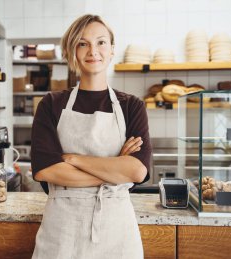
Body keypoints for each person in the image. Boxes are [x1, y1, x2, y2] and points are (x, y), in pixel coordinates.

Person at [30, 14, 152, 259]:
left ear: (111, 50)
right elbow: (46, 171)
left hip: (117, 233)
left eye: (101, 42)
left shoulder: (132, 106)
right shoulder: (51, 104)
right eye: (82, 43)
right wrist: (115, 168)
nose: (92, 51)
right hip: (62, 232)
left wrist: (74, 159)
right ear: (71, 51)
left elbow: (137, 172)